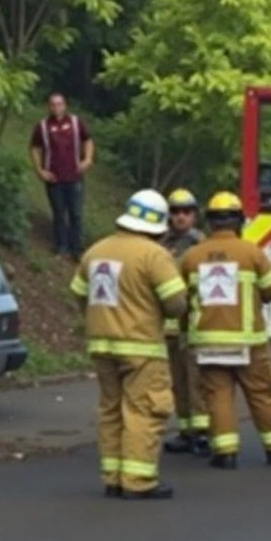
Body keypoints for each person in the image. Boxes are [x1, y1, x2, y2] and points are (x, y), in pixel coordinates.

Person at [70, 189, 187, 500]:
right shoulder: (154, 255)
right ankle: (138, 480)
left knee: (111, 409)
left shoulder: (96, 251)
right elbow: (176, 303)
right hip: (141, 347)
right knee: (144, 410)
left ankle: (113, 477)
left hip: (101, 344)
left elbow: (78, 292)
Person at [181, 191, 271, 470]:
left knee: (218, 395)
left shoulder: (192, 256)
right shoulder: (252, 253)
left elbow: (179, 299)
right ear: (238, 221)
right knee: (261, 392)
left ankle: (225, 453)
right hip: (250, 341)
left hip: (208, 340)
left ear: (209, 221)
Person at [160, 188, 210, 456]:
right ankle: (186, 430)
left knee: (197, 381)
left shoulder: (202, 245)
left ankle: (203, 433)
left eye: (186, 212)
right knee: (177, 383)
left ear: (195, 215)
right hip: (168, 327)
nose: (180, 217)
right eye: (175, 212)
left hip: (194, 324)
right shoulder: (158, 243)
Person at [29, 92, 95, 261]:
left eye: (59, 104)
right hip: (54, 177)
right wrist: (39, 170)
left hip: (75, 175)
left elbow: (87, 140)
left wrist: (87, 159)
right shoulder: (42, 126)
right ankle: (61, 247)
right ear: (48, 106)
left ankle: (78, 249)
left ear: (65, 105)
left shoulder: (75, 122)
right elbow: (35, 148)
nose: (56, 107)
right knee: (59, 213)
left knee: (76, 214)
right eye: (53, 104)